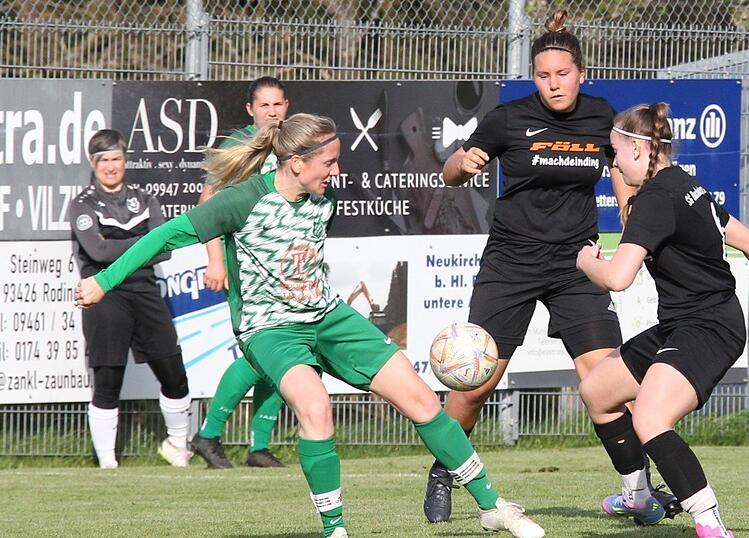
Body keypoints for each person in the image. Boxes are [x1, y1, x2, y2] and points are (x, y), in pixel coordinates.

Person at [75, 113, 545, 538]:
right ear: (297, 163)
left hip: (328, 316)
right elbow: (162, 236)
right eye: (331, 162)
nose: (337, 172)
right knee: (316, 409)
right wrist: (104, 283)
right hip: (272, 329)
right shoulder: (240, 202)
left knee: (421, 398)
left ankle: (492, 507)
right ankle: (334, 530)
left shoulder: (324, 195)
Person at [426, 9, 673, 525]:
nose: (553, 83)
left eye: (562, 73)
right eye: (543, 75)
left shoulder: (602, 116)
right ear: (533, 77)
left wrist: (632, 223)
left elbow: (622, 177)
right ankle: (444, 471)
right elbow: (450, 171)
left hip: (575, 264)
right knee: (475, 387)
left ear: (580, 73)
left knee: (604, 381)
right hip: (510, 262)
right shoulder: (507, 119)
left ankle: (638, 491)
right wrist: (460, 165)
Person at [576, 103, 749, 538]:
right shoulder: (682, 184)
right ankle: (639, 497)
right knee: (598, 391)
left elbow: (618, 278)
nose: (614, 165)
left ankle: (710, 522)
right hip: (684, 323)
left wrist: (586, 261)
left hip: (709, 327)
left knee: (650, 419)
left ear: (640, 151)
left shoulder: (658, 199)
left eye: (616, 154)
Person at [68, 129, 192, 469]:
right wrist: (143, 242)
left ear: (126, 160)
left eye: (117, 159)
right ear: (93, 164)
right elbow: (97, 249)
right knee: (108, 377)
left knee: (173, 370)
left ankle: (177, 445)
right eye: (103, 159)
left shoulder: (144, 198)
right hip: (103, 292)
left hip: (145, 290)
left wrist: (124, 244)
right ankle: (108, 462)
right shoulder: (83, 204)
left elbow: (165, 248)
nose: (111, 166)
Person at [190, 76, 290, 468]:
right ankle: (209, 434)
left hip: (284, 265)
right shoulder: (241, 146)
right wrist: (215, 259)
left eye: (278, 104)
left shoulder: (291, 143)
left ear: (287, 106)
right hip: (246, 262)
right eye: (264, 105)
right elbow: (208, 203)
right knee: (258, 351)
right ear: (251, 110)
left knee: (289, 346)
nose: (272, 112)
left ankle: (259, 446)